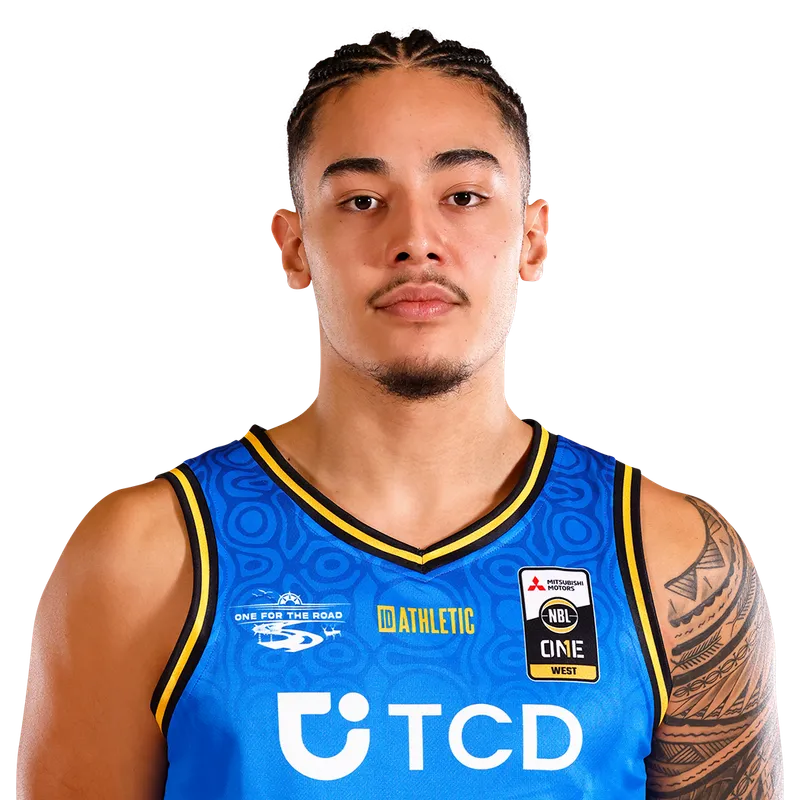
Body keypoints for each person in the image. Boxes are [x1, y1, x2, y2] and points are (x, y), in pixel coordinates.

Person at [16, 25, 781, 799]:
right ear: (292, 247)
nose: (415, 240)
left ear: (533, 238)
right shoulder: (147, 556)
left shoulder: (669, 559)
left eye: (463, 197)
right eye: (362, 200)